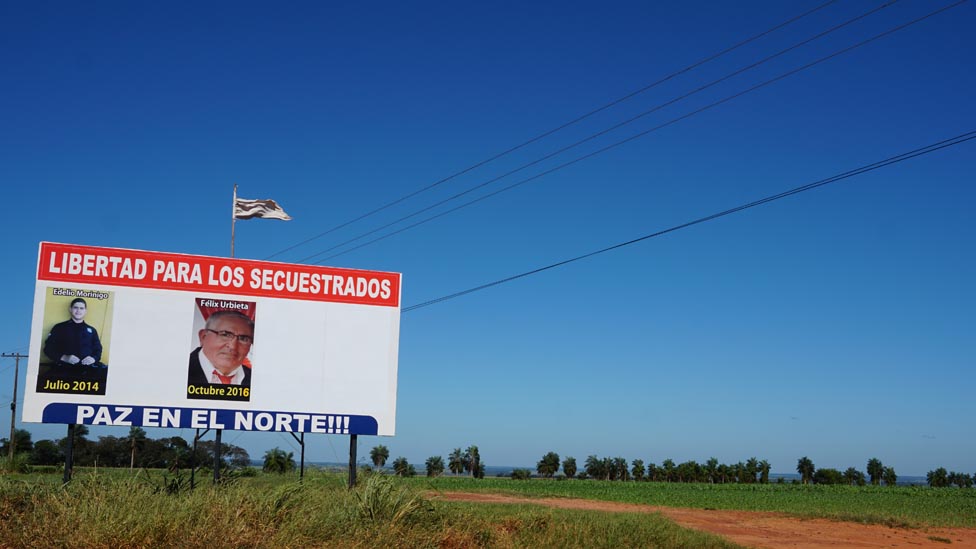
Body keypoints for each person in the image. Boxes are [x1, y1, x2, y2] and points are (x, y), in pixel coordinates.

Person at [187, 310, 254, 387]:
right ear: (203, 337)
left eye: (243, 339)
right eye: (225, 335)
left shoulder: (255, 380)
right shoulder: (178, 370)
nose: (233, 346)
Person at [43, 298, 104, 368]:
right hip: (63, 369)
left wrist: (93, 359)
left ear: (85, 311)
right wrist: (64, 357)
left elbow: (98, 350)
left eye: (81, 308)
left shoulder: (92, 330)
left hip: (87, 370)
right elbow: (48, 349)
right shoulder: (59, 328)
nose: (78, 311)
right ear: (70, 309)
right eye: (75, 308)